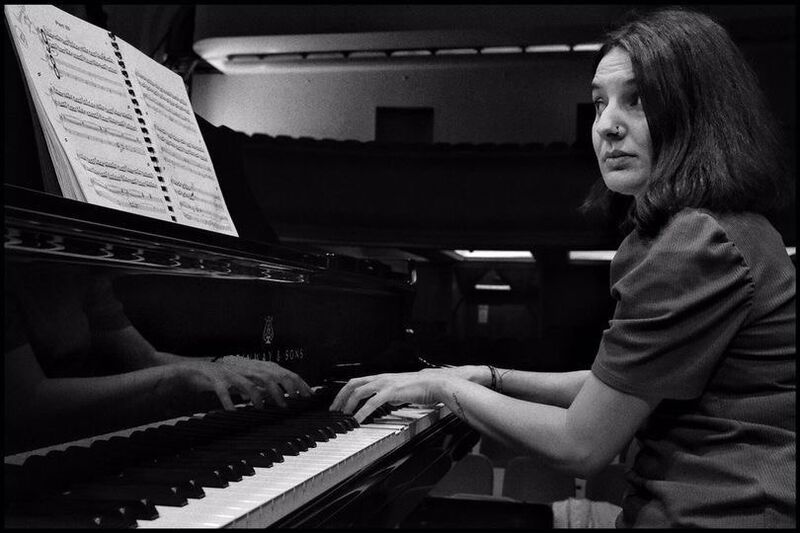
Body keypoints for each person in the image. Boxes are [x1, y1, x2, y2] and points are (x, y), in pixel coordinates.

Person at [330, 7, 795, 528]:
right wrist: (487, 376)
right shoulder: (722, 228)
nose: (606, 126)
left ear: (697, 112)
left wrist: (445, 389)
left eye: (637, 100)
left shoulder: (697, 243)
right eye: (599, 103)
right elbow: (614, 384)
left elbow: (580, 445)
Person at [4, 262, 313, 455]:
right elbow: (24, 401)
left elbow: (145, 357)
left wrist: (226, 364)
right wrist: (180, 375)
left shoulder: (82, 269)